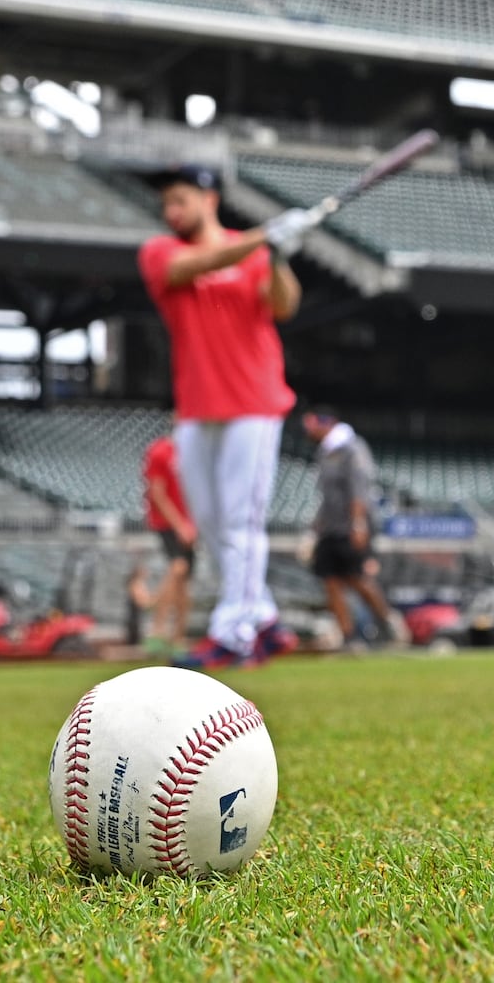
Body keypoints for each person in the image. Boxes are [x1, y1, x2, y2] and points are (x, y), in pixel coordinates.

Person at [137, 164, 314, 669]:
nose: (172, 211)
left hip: (253, 403)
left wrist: (275, 255)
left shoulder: (252, 251)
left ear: (209, 199)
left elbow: (284, 305)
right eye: (167, 203)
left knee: (241, 521)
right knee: (213, 526)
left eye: (181, 200)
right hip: (196, 407)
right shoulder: (161, 252)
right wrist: (265, 237)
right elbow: (189, 268)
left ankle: (234, 632)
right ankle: (265, 618)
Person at [301, 406, 410, 649]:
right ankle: (348, 637)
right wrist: (313, 533)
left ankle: (390, 624)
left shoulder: (352, 448)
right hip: (330, 528)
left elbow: (359, 489)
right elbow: (325, 499)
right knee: (329, 581)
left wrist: (358, 524)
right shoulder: (325, 453)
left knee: (357, 579)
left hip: (350, 527)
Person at [140, 433, 196, 655]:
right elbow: (157, 492)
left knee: (184, 581)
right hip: (167, 522)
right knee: (178, 567)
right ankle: (157, 630)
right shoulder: (161, 451)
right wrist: (180, 524)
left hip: (190, 525)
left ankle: (178, 639)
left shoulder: (196, 452)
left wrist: (193, 524)